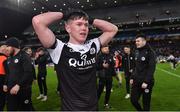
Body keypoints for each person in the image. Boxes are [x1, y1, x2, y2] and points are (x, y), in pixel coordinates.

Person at [32, 9, 118, 110]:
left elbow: (113, 29)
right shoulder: (59, 48)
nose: (84, 28)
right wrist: (64, 15)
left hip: (93, 108)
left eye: (86, 25)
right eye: (79, 24)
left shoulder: (93, 45)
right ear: (68, 28)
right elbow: (37, 21)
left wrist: (89, 20)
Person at [3, 37, 34, 111]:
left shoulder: (24, 56)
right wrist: (5, 83)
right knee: (11, 108)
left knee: (26, 109)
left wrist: (18, 85)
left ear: (13, 46)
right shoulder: (9, 58)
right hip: (11, 89)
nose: (6, 48)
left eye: (8, 46)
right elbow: (8, 73)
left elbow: (28, 73)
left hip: (23, 89)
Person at [130, 34, 156, 111]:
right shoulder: (136, 51)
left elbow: (152, 68)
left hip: (146, 83)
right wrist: (132, 77)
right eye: (136, 41)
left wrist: (146, 81)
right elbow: (135, 67)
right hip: (136, 81)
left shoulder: (150, 52)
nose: (136, 43)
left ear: (144, 41)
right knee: (133, 100)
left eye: (138, 41)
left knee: (146, 103)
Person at [0, 43, 8, 111]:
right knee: (2, 98)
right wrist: (5, 84)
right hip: (2, 80)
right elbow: (8, 73)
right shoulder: (5, 59)